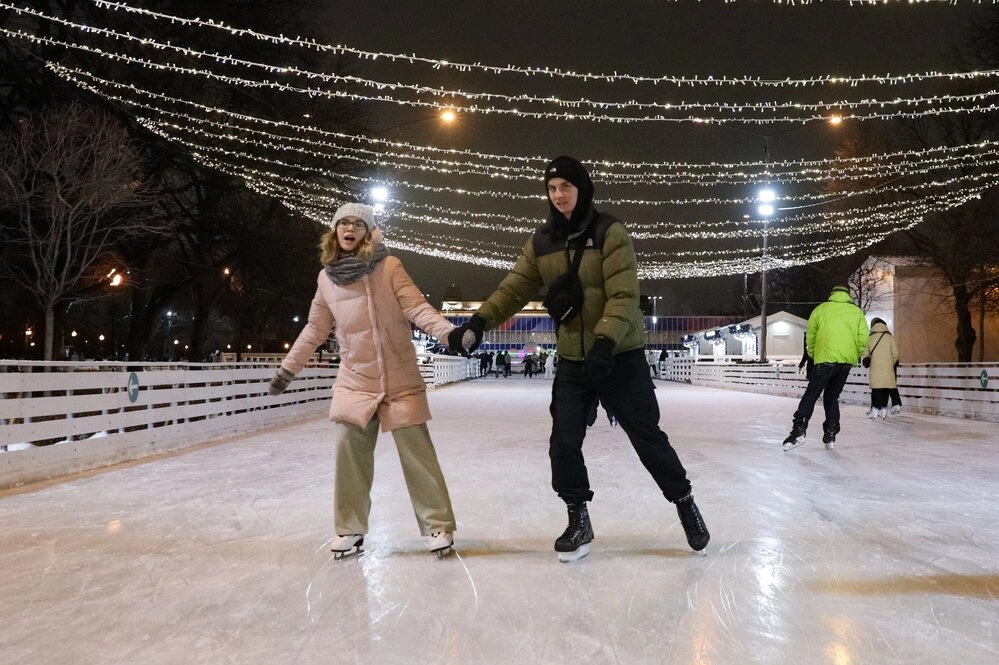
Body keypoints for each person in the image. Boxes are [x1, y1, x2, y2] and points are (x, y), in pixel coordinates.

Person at [449, 155, 709, 562]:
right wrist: (479, 322)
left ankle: (684, 501)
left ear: (582, 188)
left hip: (619, 355)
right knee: (563, 440)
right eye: (552, 189)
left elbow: (624, 296)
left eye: (565, 188)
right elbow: (514, 288)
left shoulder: (610, 232)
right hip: (573, 360)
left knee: (648, 439)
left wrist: (605, 343)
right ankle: (578, 517)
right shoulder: (541, 242)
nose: (558, 196)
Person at [269, 203, 460, 559]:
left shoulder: (389, 267)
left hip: (399, 377)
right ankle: (350, 529)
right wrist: (289, 368)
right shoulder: (326, 278)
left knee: (417, 454)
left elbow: (417, 308)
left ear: (369, 231)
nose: (349, 229)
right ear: (334, 232)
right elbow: (315, 328)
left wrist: (450, 334)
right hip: (355, 378)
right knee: (349, 452)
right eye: (343, 223)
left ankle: (438, 525)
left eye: (357, 223)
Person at [782, 286, 869, 451]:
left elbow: (811, 335)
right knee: (832, 397)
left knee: (812, 394)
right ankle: (830, 432)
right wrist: (852, 355)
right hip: (845, 363)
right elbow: (863, 338)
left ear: (832, 294)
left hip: (824, 360)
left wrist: (814, 354)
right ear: (847, 295)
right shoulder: (856, 312)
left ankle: (799, 430)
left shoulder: (820, 310)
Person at [864, 317, 900, 419]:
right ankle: (884, 411)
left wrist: (869, 358)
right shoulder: (889, 337)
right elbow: (895, 353)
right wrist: (890, 363)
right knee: (886, 389)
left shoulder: (870, 338)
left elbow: (865, 351)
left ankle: (875, 411)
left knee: (876, 390)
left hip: (875, 368)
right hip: (888, 368)